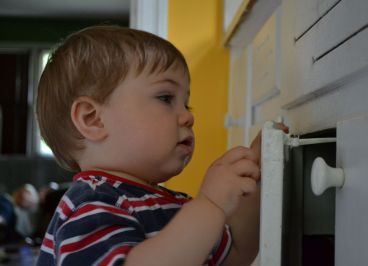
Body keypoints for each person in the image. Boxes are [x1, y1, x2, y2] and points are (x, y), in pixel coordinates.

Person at [35, 25, 275, 265]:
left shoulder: (170, 203)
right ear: (93, 119)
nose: (188, 117)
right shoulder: (92, 205)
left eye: (186, 104)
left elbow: (235, 255)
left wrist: (259, 173)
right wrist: (209, 205)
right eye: (165, 98)